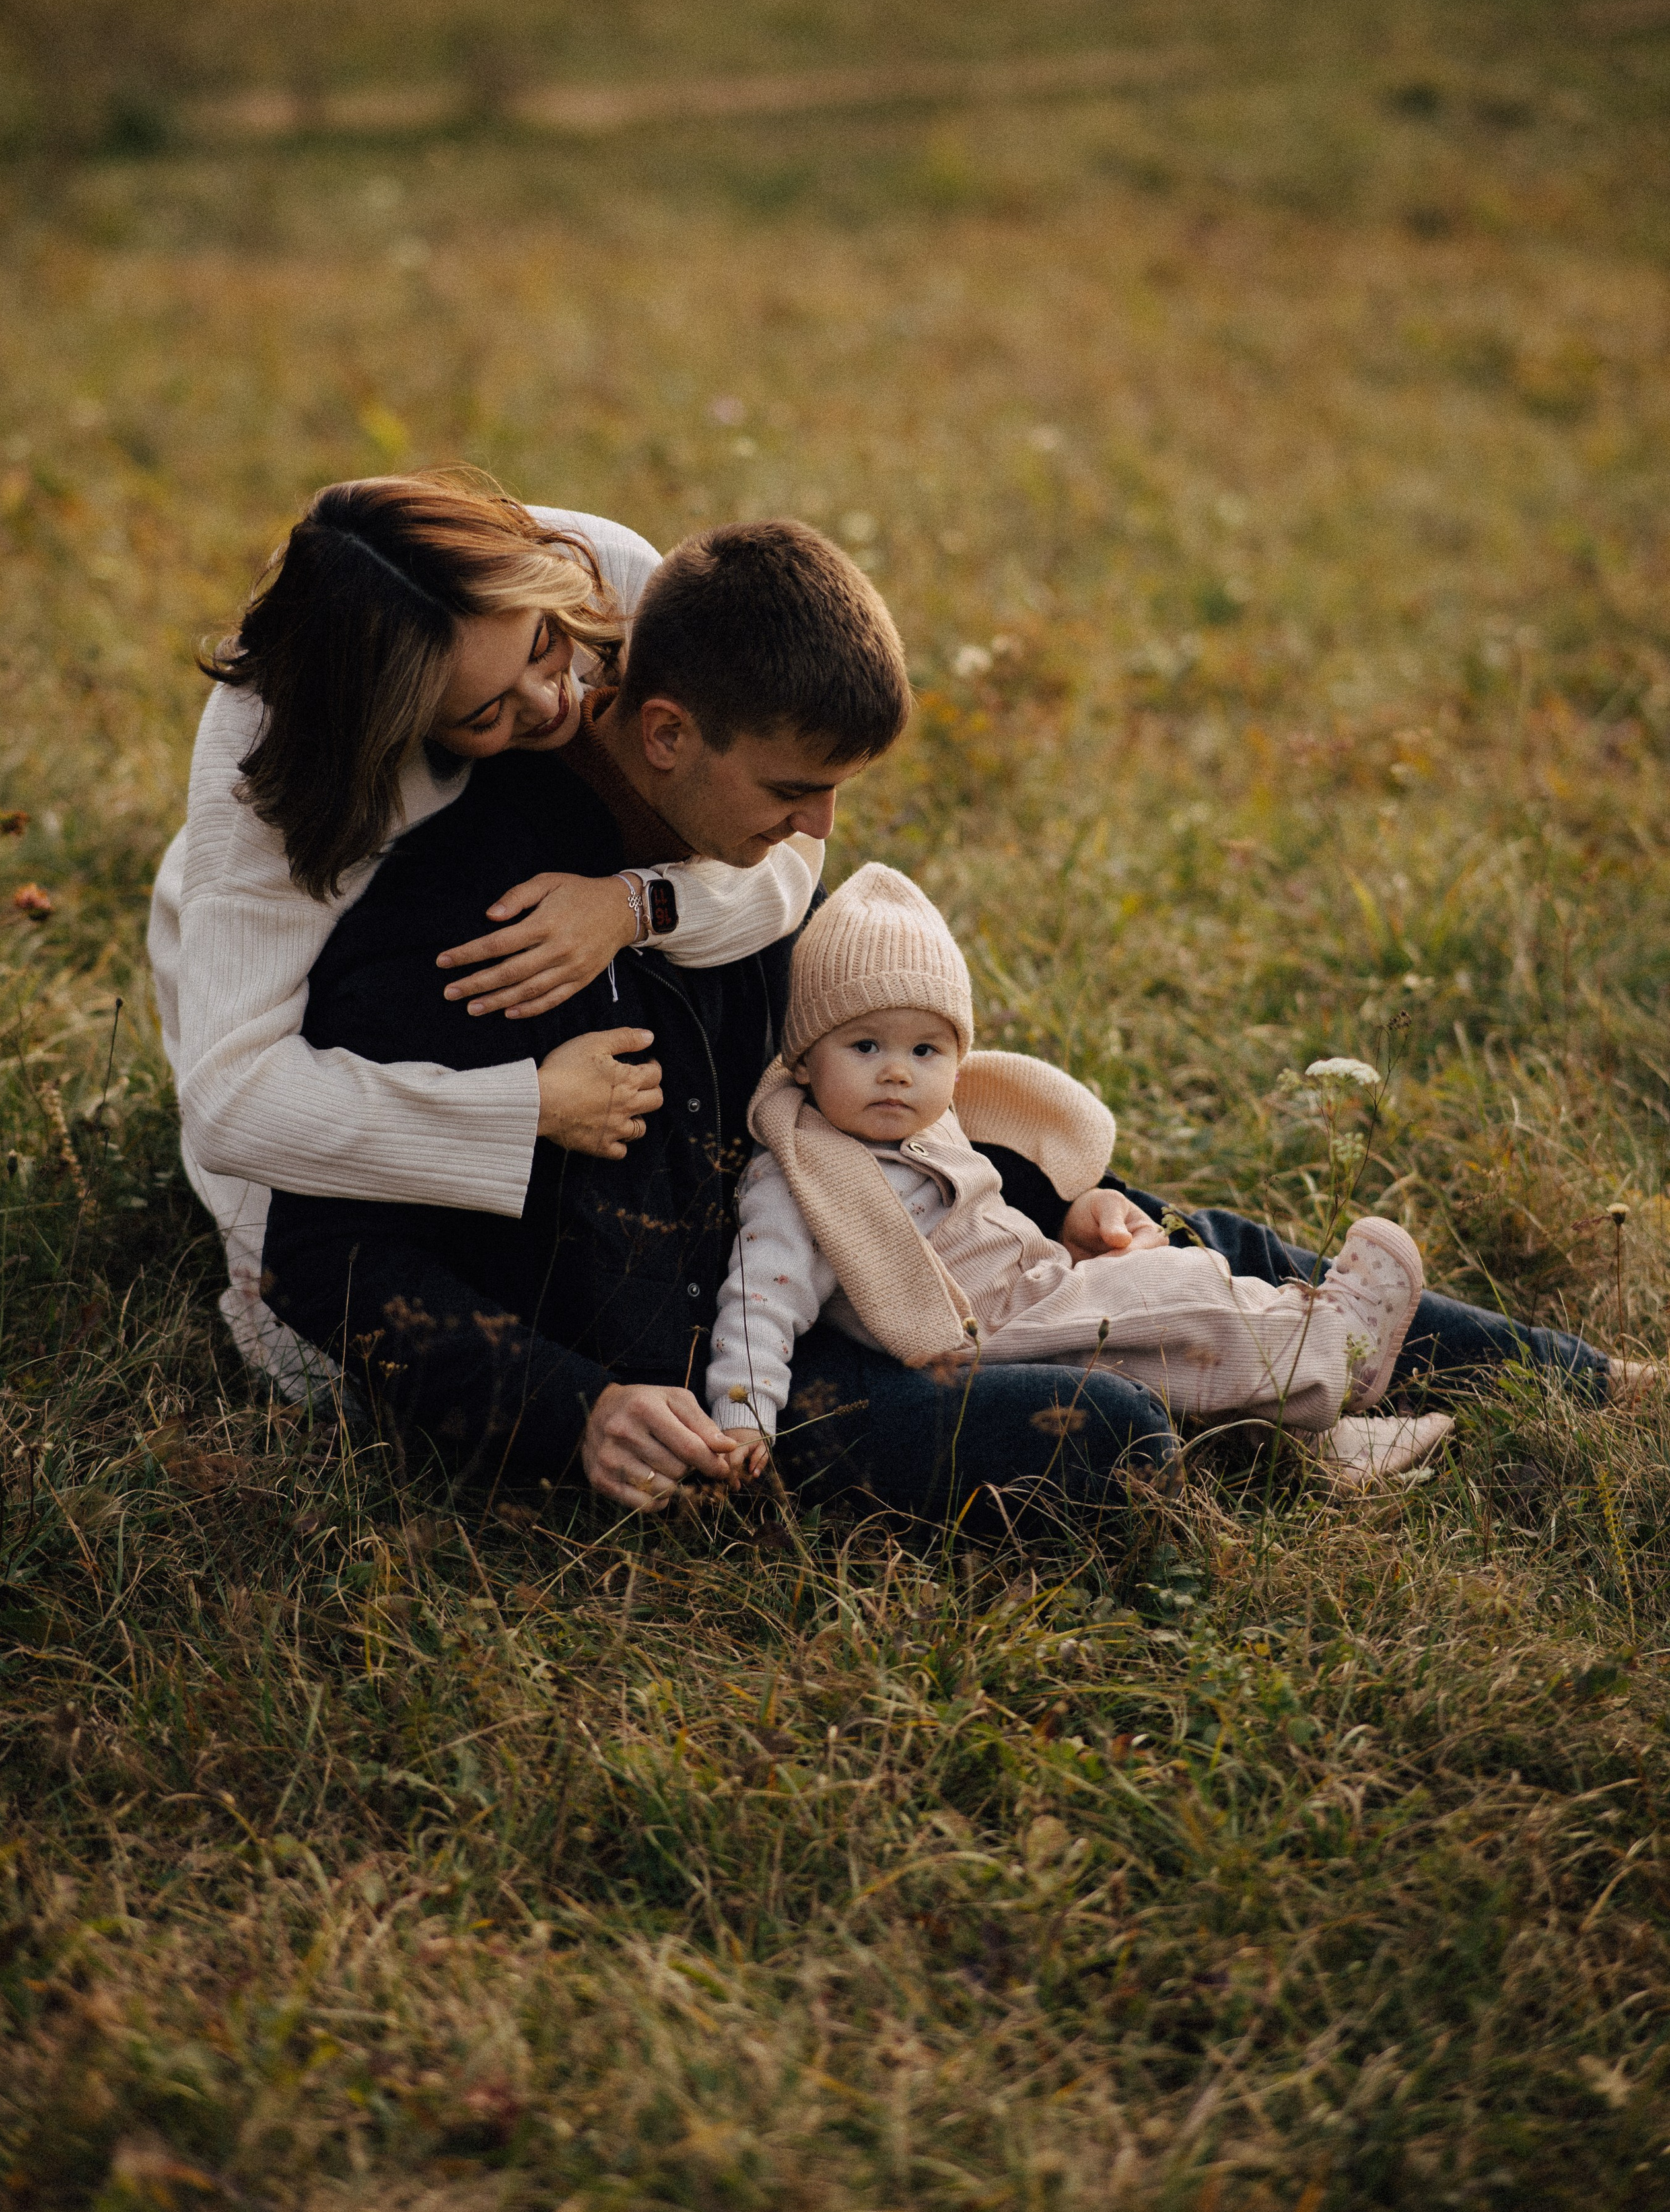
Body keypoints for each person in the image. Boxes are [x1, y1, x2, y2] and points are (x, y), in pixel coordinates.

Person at [256, 521, 1179, 1524]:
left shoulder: (743, 862)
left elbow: (875, 1079)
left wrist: (1072, 1206)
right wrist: (576, 1411)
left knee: (1190, 1251)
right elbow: (319, 1253)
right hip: (737, 1397)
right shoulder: (469, 920)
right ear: (666, 734)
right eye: (795, 790)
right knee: (1109, 1436)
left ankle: (1341, 1339)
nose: (820, 826)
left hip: (871, 1257)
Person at [147, 471, 821, 1389]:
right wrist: (527, 1108)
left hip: (559, 882)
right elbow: (232, 1100)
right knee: (314, 1352)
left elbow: (787, 848)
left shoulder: (602, 575)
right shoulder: (272, 769)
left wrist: (632, 906)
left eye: (546, 652)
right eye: (484, 712)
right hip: (293, 950)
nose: (551, 705)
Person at [707, 865, 1455, 1488]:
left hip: (1032, 1284)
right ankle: (1337, 1348)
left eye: (926, 1051)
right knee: (1175, 1296)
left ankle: (1317, 1447)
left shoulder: (921, 1119)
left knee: (1166, 1328)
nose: (897, 1073)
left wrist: (1079, 1207)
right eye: (864, 1046)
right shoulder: (800, 1171)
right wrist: (741, 1415)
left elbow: (1008, 1183)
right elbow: (758, 1300)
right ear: (804, 1059)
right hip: (981, 1326)